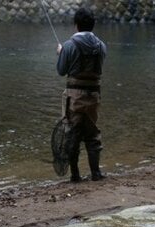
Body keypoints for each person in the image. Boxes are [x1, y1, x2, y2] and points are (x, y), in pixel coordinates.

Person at [56, 7, 107, 181]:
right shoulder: (101, 46)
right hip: (93, 97)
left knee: (72, 135)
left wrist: (61, 53)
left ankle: (75, 176)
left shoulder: (69, 45)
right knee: (92, 135)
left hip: (74, 98)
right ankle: (96, 173)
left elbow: (61, 71)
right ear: (92, 26)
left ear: (76, 25)